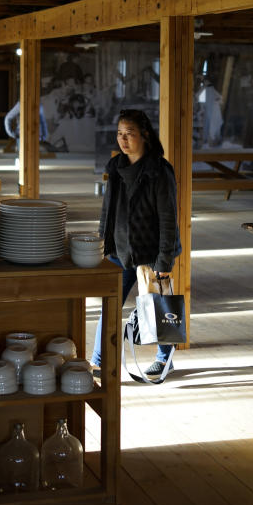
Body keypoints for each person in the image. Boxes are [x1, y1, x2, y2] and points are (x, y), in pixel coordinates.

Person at [92, 108, 182, 377]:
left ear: (144, 135)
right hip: (120, 250)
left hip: (152, 253)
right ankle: (99, 360)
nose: (123, 139)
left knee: (156, 306)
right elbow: (107, 211)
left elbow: (168, 218)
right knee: (109, 305)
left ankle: (165, 359)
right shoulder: (116, 167)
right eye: (119, 133)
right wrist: (100, 243)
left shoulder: (160, 171)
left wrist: (164, 260)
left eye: (129, 133)